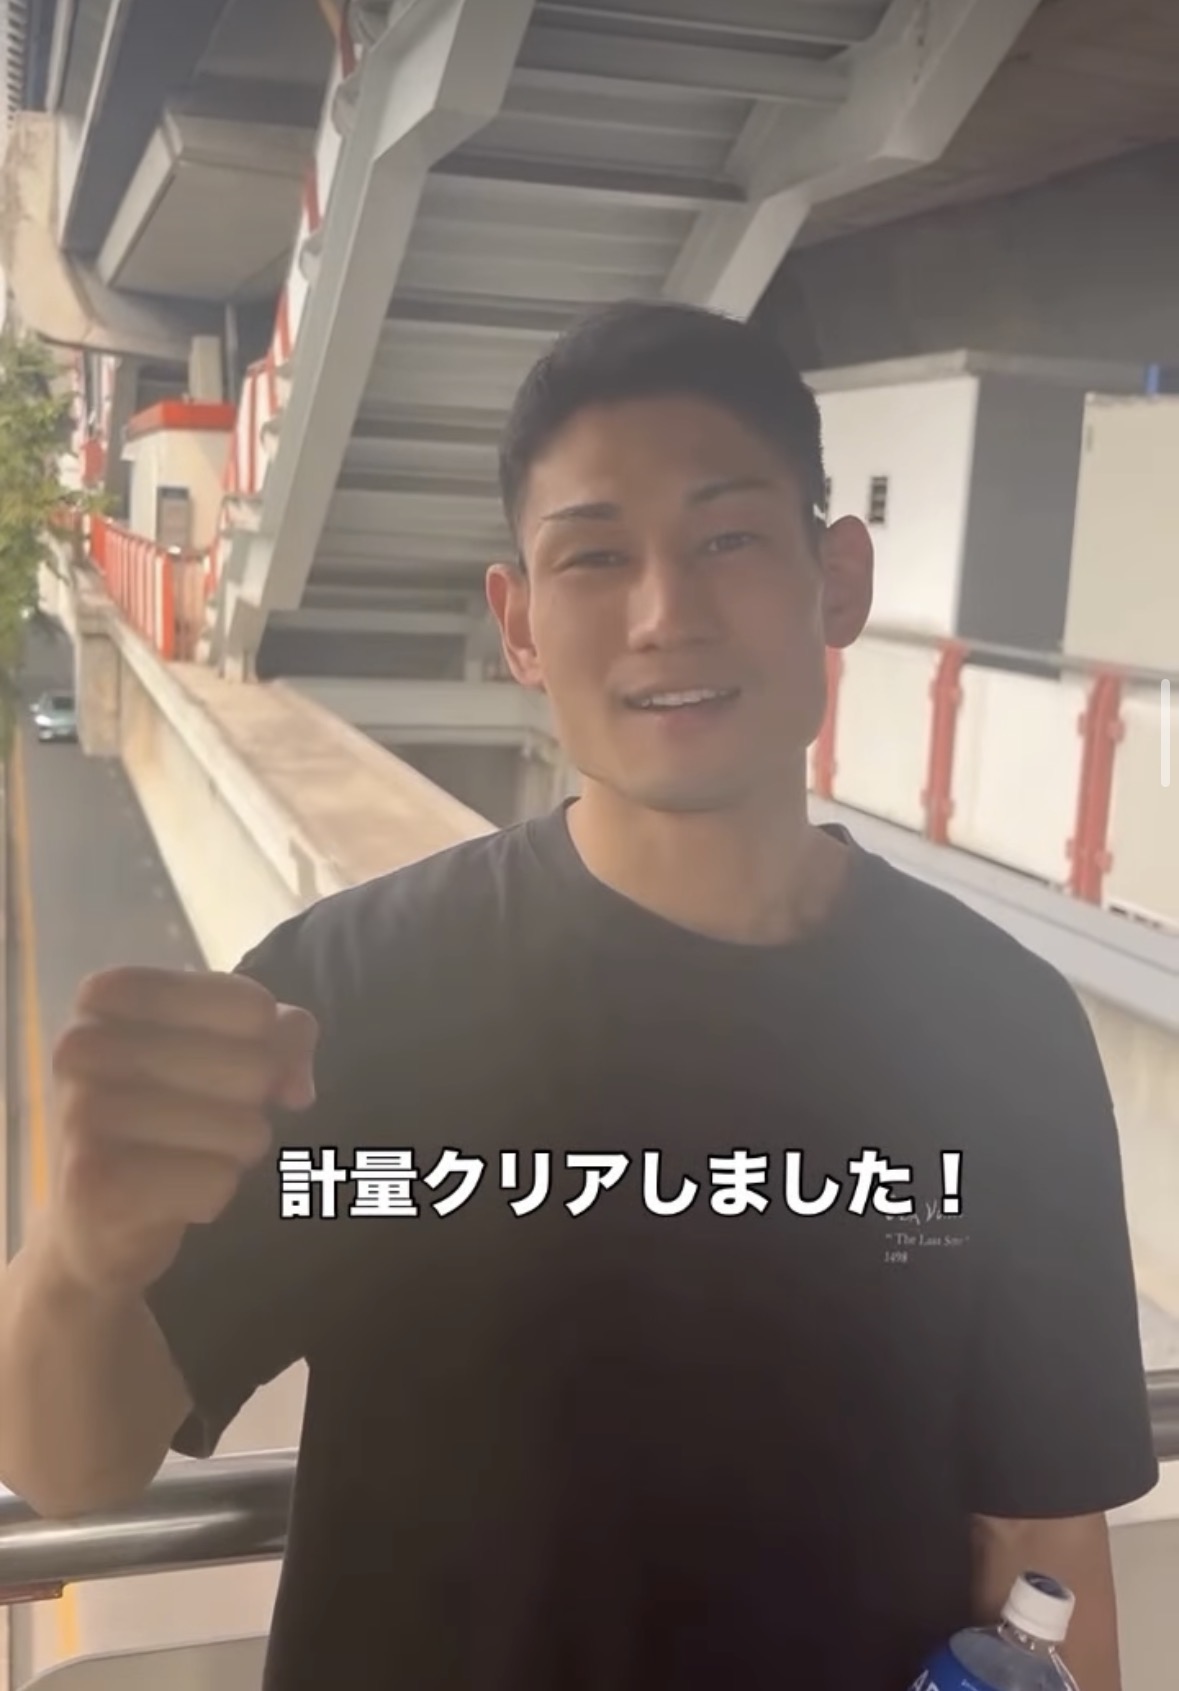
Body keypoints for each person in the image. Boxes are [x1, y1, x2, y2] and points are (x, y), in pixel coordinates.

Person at [0, 301, 1157, 1691]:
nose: (666, 614)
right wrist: (80, 1259)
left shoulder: (1004, 1036)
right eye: (595, 556)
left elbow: (1044, 1551)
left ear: (836, 579)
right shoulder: (350, 1002)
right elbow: (69, 1467)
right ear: (521, 625)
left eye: (729, 539)